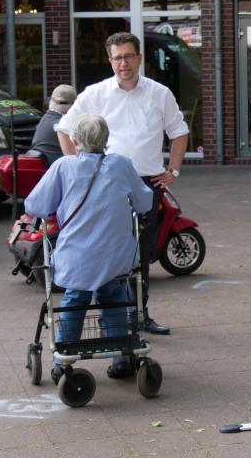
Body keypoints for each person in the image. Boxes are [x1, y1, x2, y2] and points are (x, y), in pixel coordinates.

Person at [56, 32, 188, 335]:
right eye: (117, 57)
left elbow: (179, 132)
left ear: (139, 58)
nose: (123, 63)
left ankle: (140, 315)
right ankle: (115, 318)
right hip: (107, 184)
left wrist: (173, 171)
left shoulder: (159, 93)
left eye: (129, 56)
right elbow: (64, 128)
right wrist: (78, 169)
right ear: (110, 60)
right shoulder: (95, 94)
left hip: (146, 183)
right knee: (111, 250)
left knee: (142, 252)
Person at [24, 114, 154, 382]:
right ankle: (121, 354)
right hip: (117, 257)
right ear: (106, 139)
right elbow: (144, 203)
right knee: (115, 291)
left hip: (77, 259)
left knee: (75, 296)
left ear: (74, 140)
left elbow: (35, 206)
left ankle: (64, 357)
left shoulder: (64, 167)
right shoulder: (121, 165)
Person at [30, 85, 77, 165]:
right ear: (73, 106)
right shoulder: (63, 126)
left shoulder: (45, 119)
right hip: (60, 171)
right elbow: (76, 156)